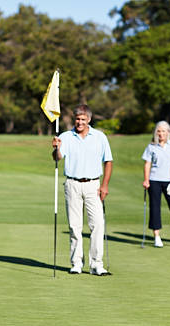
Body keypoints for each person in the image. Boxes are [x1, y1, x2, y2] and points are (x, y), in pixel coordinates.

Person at [52, 104, 113, 275]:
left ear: (89, 120)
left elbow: (108, 161)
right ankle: (76, 263)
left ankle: (96, 265)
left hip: (94, 184)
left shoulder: (100, 137)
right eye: (77, 119)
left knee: (97, 224)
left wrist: (105, 185)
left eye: (83, 119)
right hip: (72, 184)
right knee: (75, 226)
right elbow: (57, 159)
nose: (79, 122)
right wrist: (56, 148)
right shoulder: (66, 136)